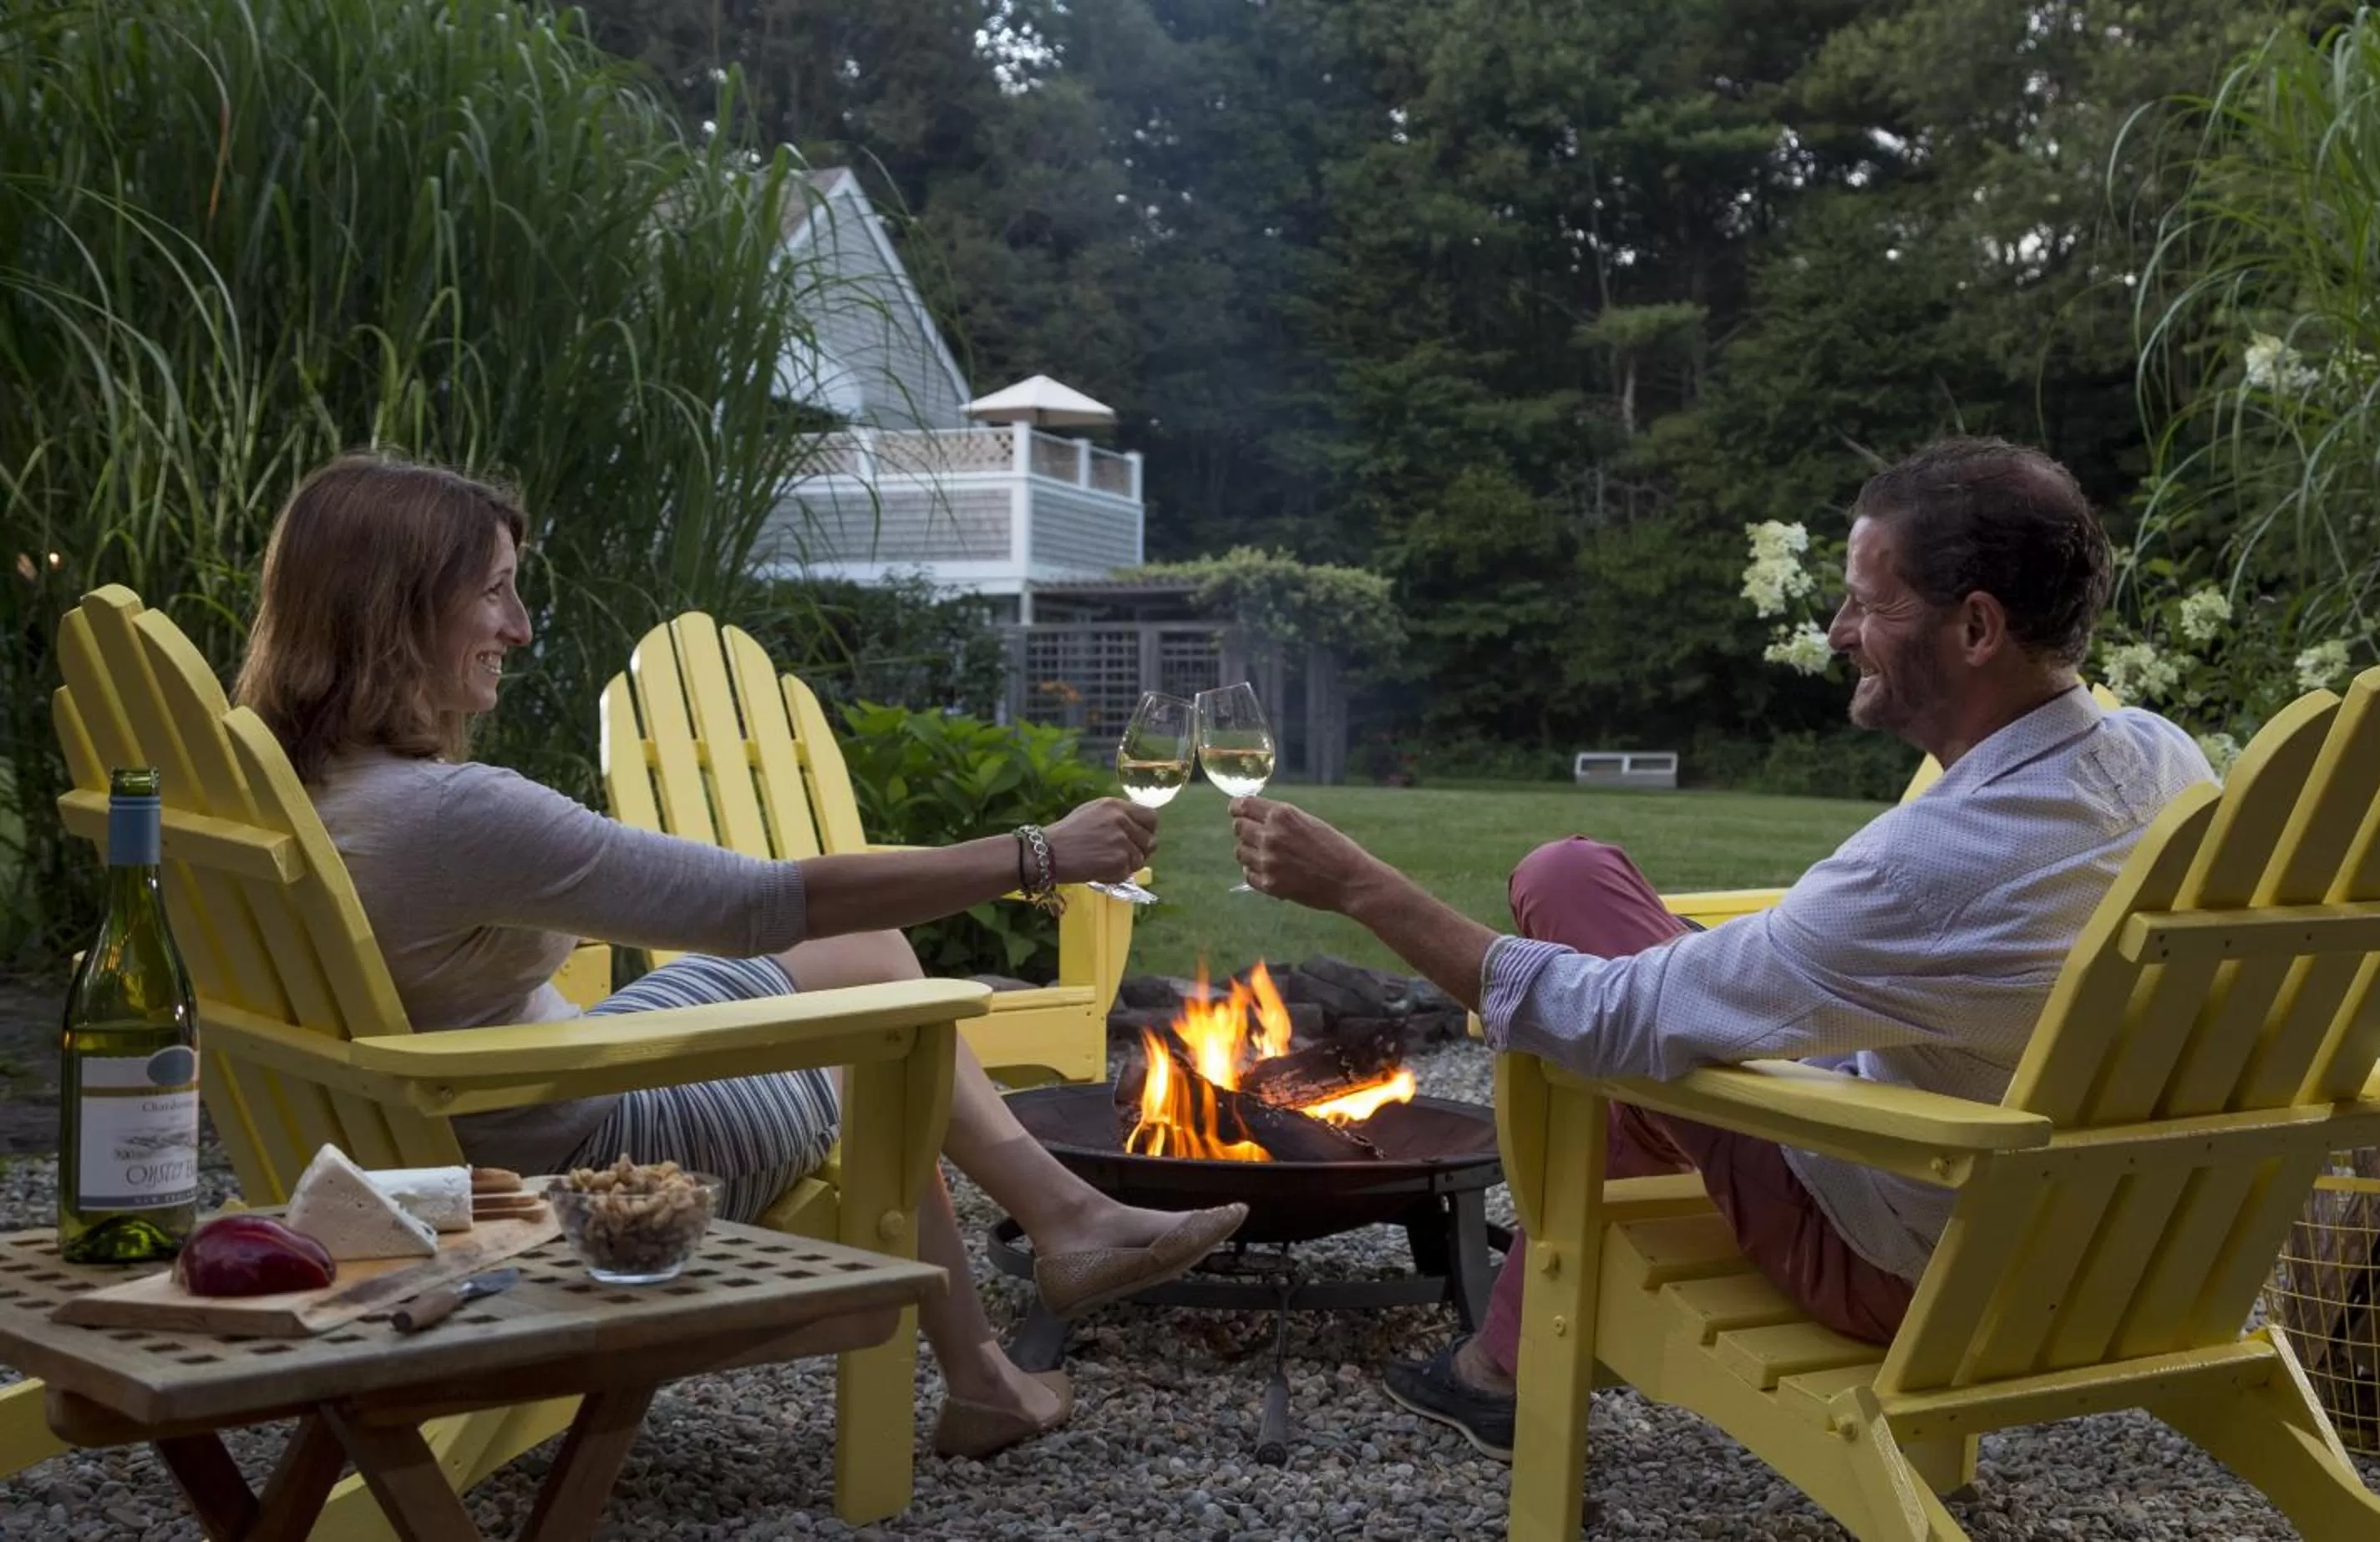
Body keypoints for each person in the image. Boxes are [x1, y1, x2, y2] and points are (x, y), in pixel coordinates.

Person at [236, 450, 1246, 1459]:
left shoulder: (291, 781)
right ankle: (1008, 1324)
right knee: (886, 1040)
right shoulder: (454, 815)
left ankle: (1038, 1271)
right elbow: (763, 904)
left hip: (460, 1116)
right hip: (574, 1167)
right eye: (494, 593)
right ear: (399, 610)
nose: (520, 626)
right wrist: (1039, 855)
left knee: (865, 952)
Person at [1227, 437, 2215, 1461]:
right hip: (2112, 1246)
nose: (1840, 633)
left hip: (1919, 1269)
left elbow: (1609, 1022)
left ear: (1976, 626)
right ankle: (1502, 1362)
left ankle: (1505, 1366)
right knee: (1584, 890)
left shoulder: (1931, 863)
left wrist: (1358, 887)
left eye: (1870, 607)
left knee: (1570, 907)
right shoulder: (2161, 759)